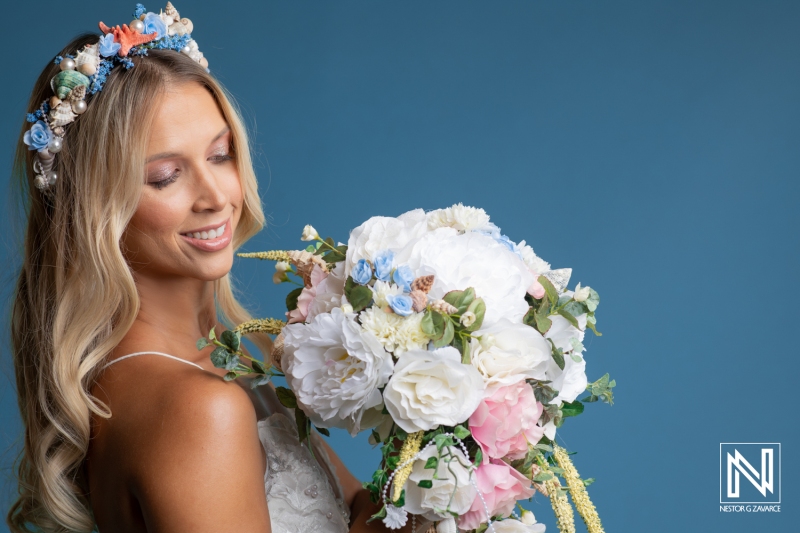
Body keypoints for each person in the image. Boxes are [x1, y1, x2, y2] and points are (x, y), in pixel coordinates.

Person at [7, 4, 408, 532]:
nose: (217, 195)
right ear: (96, 207)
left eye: (220, 155)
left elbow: (357, 512)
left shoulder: (232, 351)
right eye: (167, 176)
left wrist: (463, 447)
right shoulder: (198, 408)